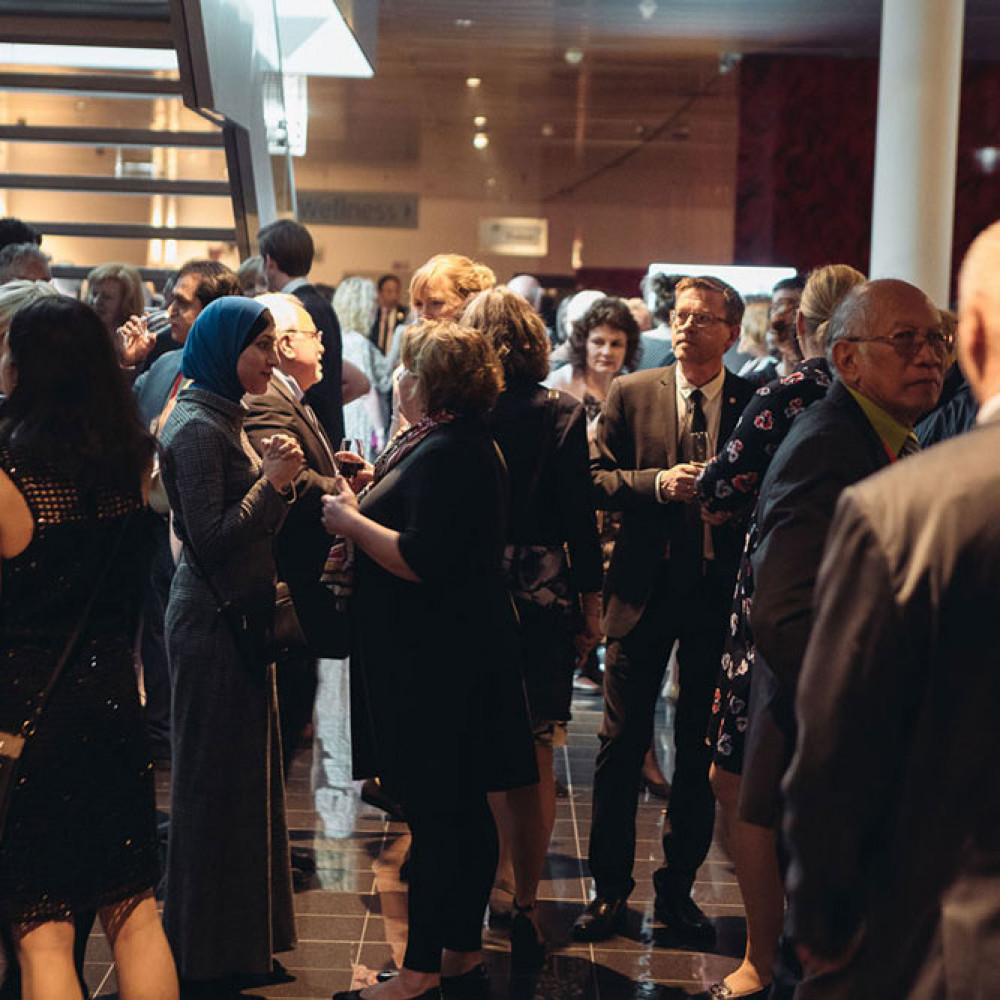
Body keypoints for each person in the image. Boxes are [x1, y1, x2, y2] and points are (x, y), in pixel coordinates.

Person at [782, 220, 1000, 999]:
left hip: (953, 935)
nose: (929, 354)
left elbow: (840, 739)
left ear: (971, 337)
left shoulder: (912, 506)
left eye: (935, 338)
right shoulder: (874, 470)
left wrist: (824, 920)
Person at [320, 320, 536, 1000]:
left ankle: (418, 974)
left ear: (426, 380)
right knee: (459, 814)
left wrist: (350, 522)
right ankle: (458, 955)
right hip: (445, 656)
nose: (394, 376)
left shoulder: (449, 450)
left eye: (405, 368)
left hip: (437, 667)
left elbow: (419, 557)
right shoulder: (440, 442)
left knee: (441, 822)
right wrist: (368, 496)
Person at [748, 278, 947, 996]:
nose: (929, 355)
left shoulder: (886, 436)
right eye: (905, 340)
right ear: (847, 360)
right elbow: (783, 611)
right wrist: (866, 713)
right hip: (832, 751)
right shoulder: (831, 442)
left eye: (937, 339)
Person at [0, 296, 178, 1000]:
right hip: (113, 706)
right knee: (132, 911)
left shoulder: (9, 473)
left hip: (25, 715)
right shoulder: (131, 460)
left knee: (44, 932)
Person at [695, 263, 865, 1000]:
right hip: (850, 609)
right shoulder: (875, 401)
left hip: (774, 606)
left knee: (739, 786)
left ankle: (764, 955)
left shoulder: (791, 394)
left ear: (800, 326)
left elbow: (720, 488)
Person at [574, 275, 754, 943]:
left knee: (700, 751)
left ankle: (676, 890)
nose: (685, 328)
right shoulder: (631, 393)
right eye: (679, 316)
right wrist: (656, 485)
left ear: (730, 332)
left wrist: (728, 501)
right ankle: (609, 889)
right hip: (641, 591)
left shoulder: (751, 402)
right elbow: (591, 480)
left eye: (703, 318)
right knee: (621, 746)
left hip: (715, 595)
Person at [158, 297, 303, 990]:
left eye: (277, 346)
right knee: (210, 789)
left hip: (236, 616)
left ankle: (238, 944)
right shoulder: (193, 424)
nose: (272, 361)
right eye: (261, 347)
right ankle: (199, 949)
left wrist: (286, 480)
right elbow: (211, 538)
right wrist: (274, 486)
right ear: (224, 347)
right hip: (211, 622)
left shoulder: (221, 413)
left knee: (244, 788)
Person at [464, 286, 603, 968]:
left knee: (479, 747)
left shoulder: (463, 411)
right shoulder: (563, 413)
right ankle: (525, 898)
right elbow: (582, 521)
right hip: (545, 597)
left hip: (470, 595)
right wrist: (594, 609)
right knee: (539, 748)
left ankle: (485, 883)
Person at [244, 292, 341, 778]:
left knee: (290, 718)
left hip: (299, 584)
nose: (323, 346)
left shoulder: (288, 393)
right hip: (286, 582)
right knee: (277, 725)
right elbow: (290, 483)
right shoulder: (265, 398)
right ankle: (263, 849)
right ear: (283, 344)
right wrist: (339, 489)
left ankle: (271, 848)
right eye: (314, 336)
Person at [258, 219, 345, 444]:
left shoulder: (298, 308)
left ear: (269, 262)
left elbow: (312, 382)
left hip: (308, 433)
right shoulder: (322, 303)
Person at [544, 296, 641, 432]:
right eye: (598, 342)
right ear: (583, 343)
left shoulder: (633, 390)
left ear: (628, 348)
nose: (607, 352)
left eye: (616, 344)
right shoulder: (558, 383)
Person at [334, 278, 393, 456]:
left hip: (347, 412)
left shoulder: (342, 337)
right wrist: (380, 431)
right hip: (361, 416)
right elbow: (367, 391)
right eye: (373, 302)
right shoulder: (357, 342)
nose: (377, 307)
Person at [86, 263, 145, 341]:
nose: (96, 301)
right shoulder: (77, 332)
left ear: (127, 303)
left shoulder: (138, 342)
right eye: (94, 294)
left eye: (107, 297)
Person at [370, 274, 407, 355]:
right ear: (380, 293)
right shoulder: (372, 314)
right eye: (389, 292)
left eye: (396, 291)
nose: (394, 296)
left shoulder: (405, 314)